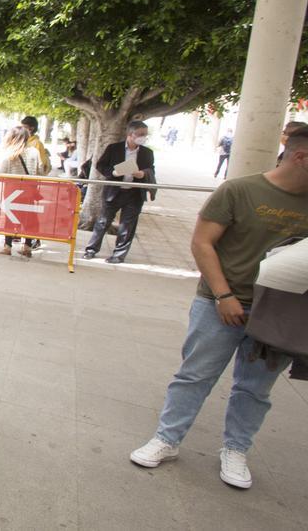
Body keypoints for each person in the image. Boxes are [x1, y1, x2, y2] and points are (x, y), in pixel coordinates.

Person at [129, 126, 308, 490]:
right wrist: (224, 295)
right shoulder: (239, 190)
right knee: (194, 375)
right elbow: (202, 243)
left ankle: (236, 449)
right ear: (301, 157)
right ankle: (167, 438)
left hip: (279, 313)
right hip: (218, 303)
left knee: (255, 388)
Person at [83, 121, 155, 264]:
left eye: (145, 135)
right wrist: (113, 172)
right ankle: (91, 249)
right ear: (130, 134)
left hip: (134, 194)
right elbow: (100, 165)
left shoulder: (147, 153)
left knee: (127, 225)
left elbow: (151, 170)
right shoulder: (114, 149)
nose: (143, 137)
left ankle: (119, 255)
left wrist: (142, 174)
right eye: (140, 134)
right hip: (114, 191)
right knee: (103, 221)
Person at [0, 126, 43, 257]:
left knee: (10, 219)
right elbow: (40, 171)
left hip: (12, 193)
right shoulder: (34, 152)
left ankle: (7, 246)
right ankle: (27, 247)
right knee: (29, 218)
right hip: (29, 192)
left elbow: (1, 173)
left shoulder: (10, 153)